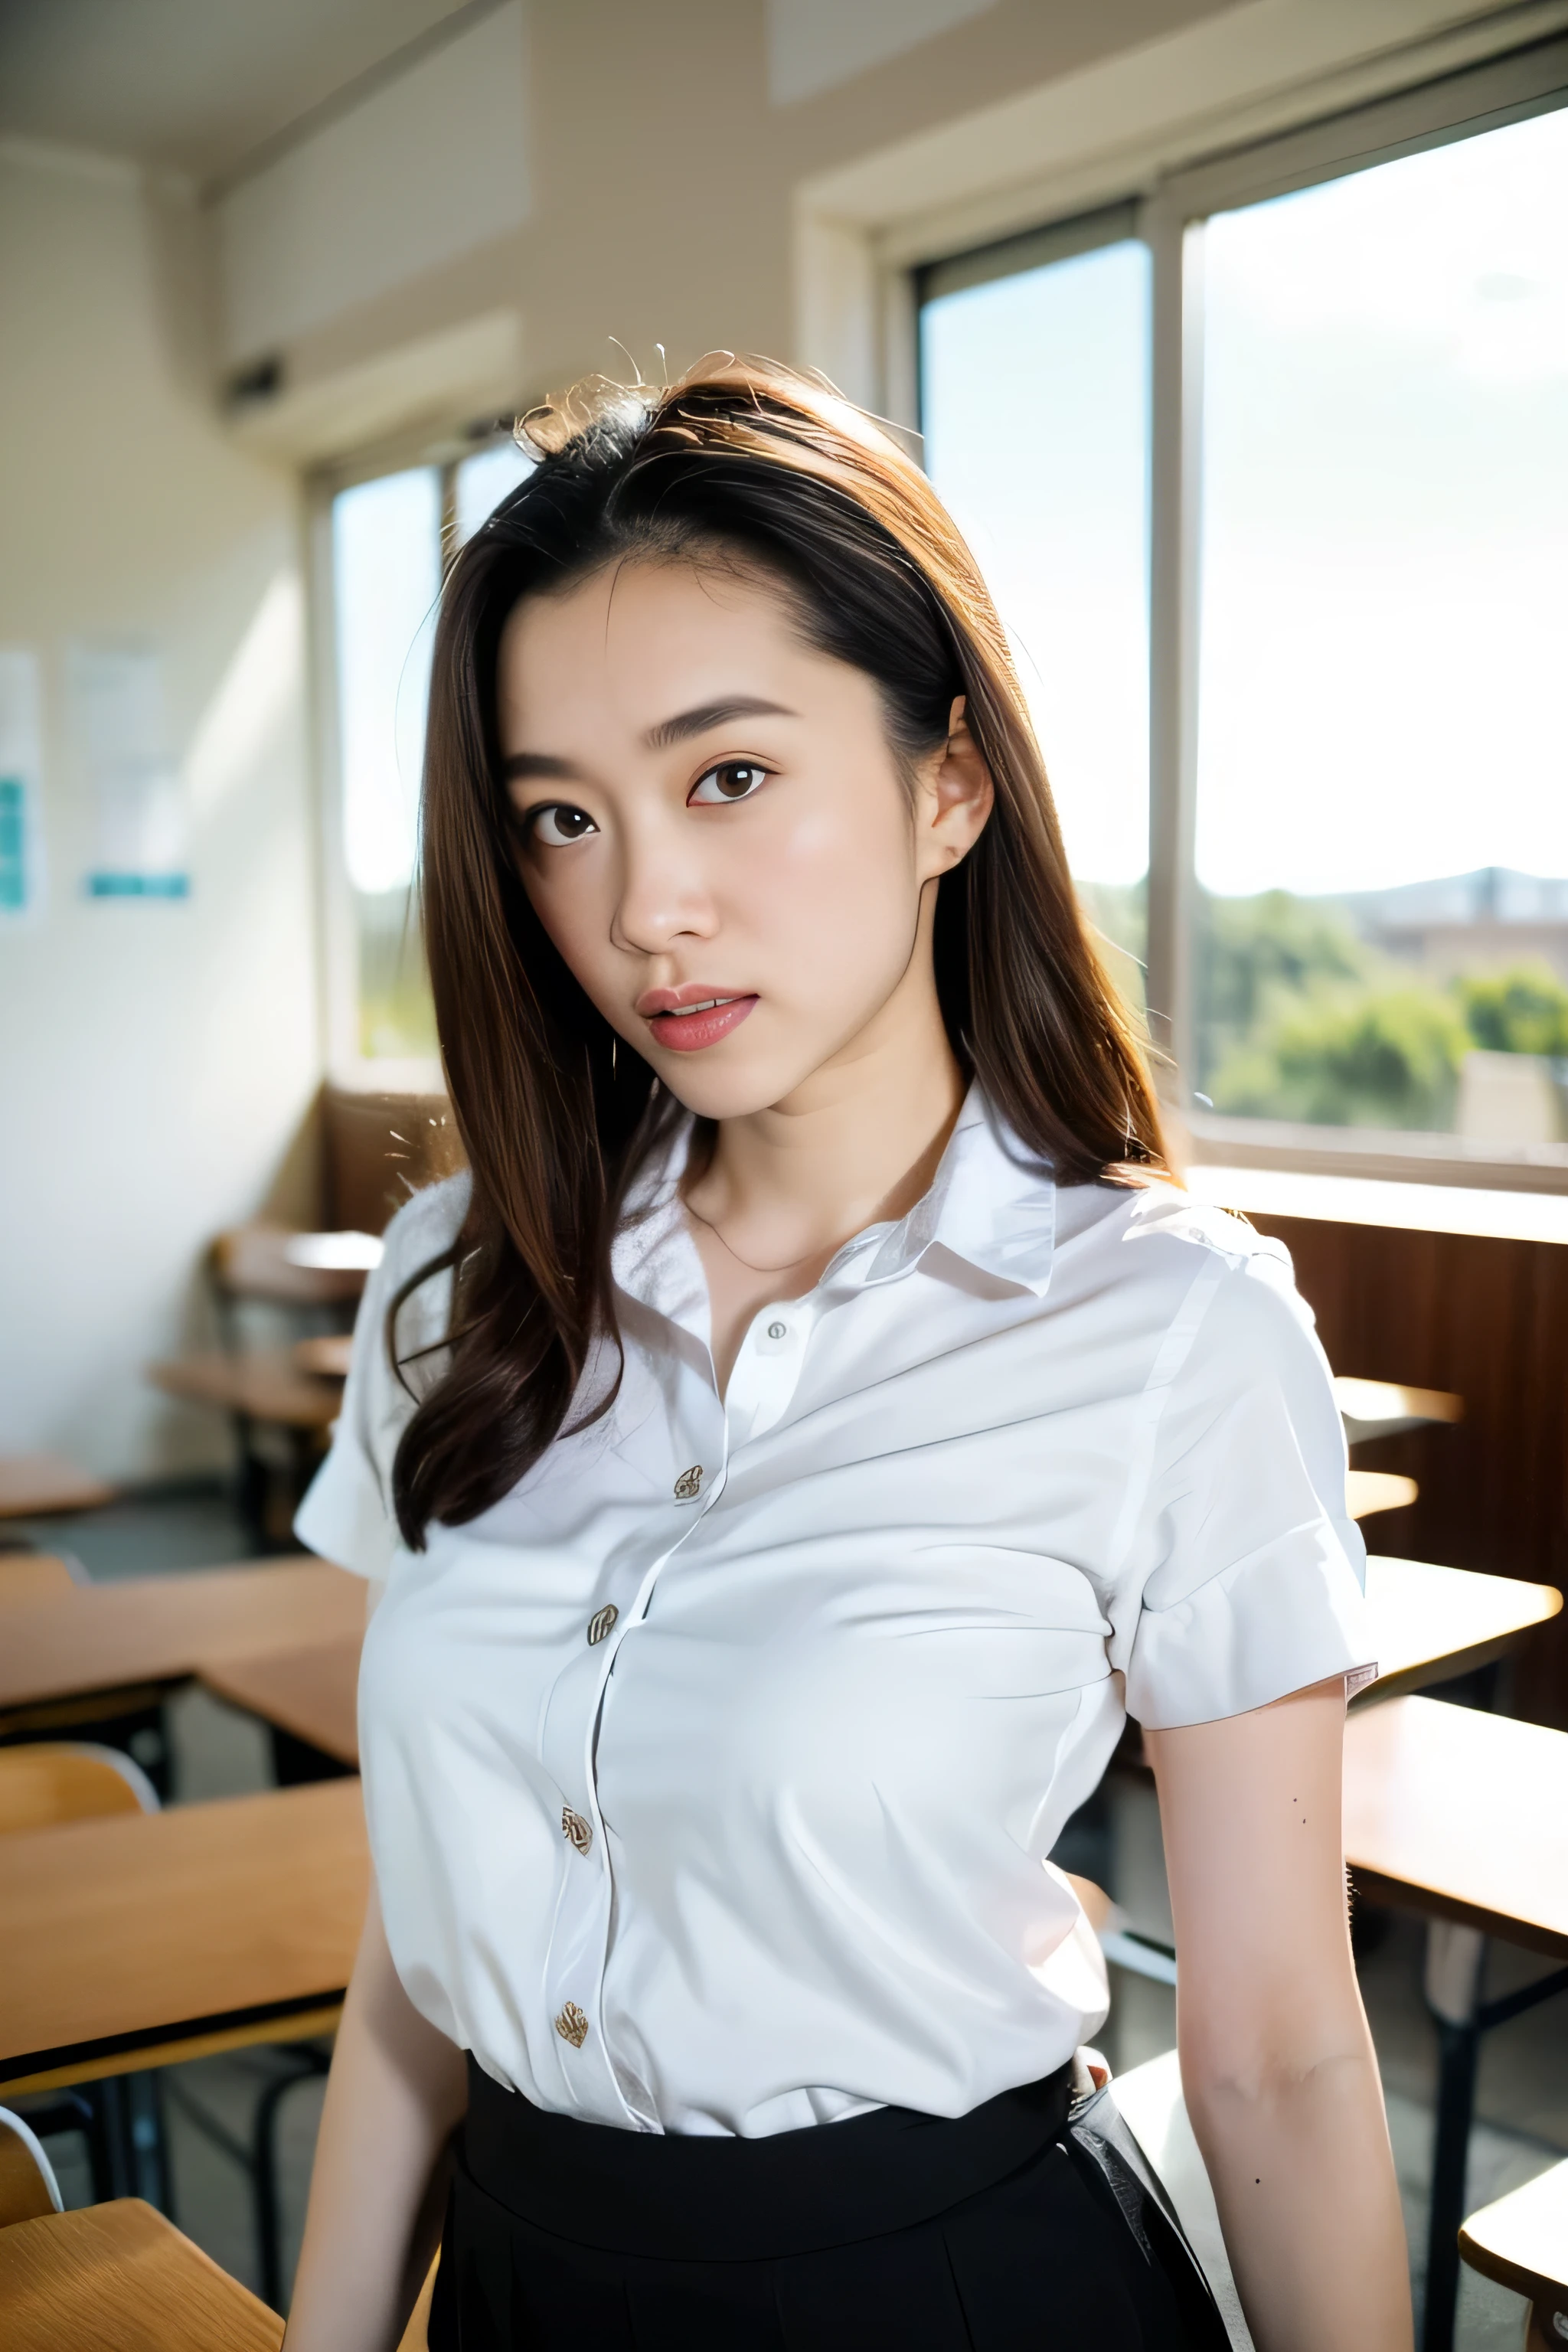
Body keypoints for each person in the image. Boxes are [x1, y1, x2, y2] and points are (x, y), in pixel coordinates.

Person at [285, 359, 1412, 2352]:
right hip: (526, 2276)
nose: (647, 908)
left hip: (953, 2293)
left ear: (948, 783)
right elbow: (424, 1940)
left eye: (729, 776)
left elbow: (1279, 2058)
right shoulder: (460, 1278)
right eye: (563, 817)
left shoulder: (1173, 1331)